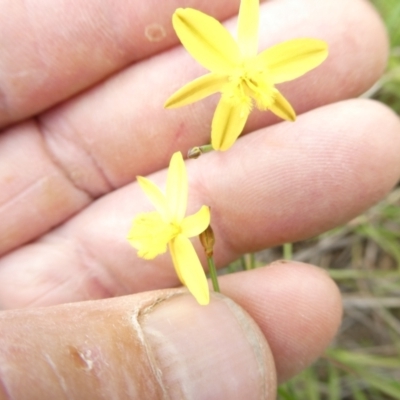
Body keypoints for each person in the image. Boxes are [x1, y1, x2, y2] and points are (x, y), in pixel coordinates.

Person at [0, 0, 399, 398]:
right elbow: (191, 36)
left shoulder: (253, 90)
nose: (251, 88)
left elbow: (303, 67)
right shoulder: (180, 233)